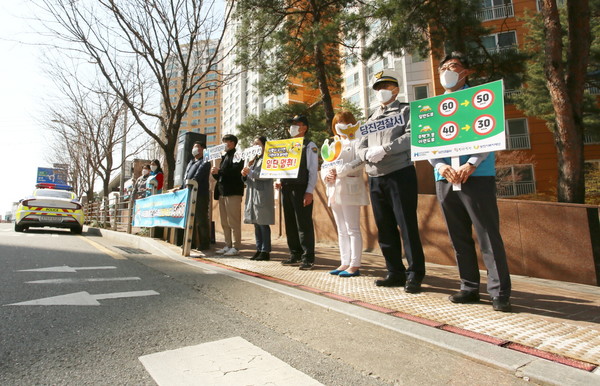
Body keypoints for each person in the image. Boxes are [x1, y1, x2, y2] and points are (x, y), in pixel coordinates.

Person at [429, 51, 512, 312]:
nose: (447, 72)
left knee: (487, 234)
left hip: (476, 175)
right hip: (444, 178)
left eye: (453, 66)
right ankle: (468, 287)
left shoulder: (481, 99)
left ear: (466, 72)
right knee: (458, 235)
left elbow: (490, 133)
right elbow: (426, 143)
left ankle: (499, 292)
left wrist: (471, 163)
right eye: (443, 67)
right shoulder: (432, 107)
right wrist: (441, 165)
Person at [356, 69, 426, 293]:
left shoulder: (406, 111)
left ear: (396, 89)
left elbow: (411, 135)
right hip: (376, 177)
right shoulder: (372, 116)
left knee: (406, 225)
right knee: (384, 227)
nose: (381, 92)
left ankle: (414, 273)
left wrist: (385, 149)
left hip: (399, 173)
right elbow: (360, 144)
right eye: (378, 89)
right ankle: (394, 271)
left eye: (385, 87)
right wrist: (365, 154)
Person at [321, 111, 369, 277]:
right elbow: (326, 164)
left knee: (352, 228)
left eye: (343, 121)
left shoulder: (357, 142)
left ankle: (355, 265)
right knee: (341, 229)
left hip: (350, 188)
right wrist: (326, 175)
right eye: (337, 122)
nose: (340, 125)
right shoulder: (333, 144)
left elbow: (362, 160)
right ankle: (344, 262)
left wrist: (342, 170)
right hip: (334, 189)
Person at [275, 115, 318, 270]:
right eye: (291, 125)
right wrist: (278, 179)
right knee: (290, 223)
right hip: (286, 188)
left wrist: (309, 191)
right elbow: (281, 166)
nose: (292, 127)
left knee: (303, 224)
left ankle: (308, 257)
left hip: (301, 188)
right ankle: (295, 254)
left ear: (304, 127)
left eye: (296, 124)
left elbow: (313, 170)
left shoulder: (309, 145)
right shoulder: (286, 145)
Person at [241, 136, 274, 261]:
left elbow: (265, 175)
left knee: (263, 223)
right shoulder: (253, 161)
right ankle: (259, 248)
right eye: (253, 144)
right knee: (255, 223)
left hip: (262, 195)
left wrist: (250, 172)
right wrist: (244, 174)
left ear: (265, 146)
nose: (255, 146)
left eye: (258, 144)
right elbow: (247, 178)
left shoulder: (268, 158)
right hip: (252, 194)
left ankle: (265, 251)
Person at [211, 134, 244, 256]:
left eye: (226, 141)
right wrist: (215, 173)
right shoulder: (224, 157)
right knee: (224, 221)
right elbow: (222, 175)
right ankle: (228, 244)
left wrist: (220, 171)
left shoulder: (238, 155)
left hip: (233, 192)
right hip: (222, 192)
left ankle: (236, 246)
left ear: (232, 143)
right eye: (223, 141)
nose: (224, 144)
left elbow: (235, 172)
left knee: (233, 221)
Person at [185, 141, 211, 251]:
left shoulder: (205, 162)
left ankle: (204, 243)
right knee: (191, 219)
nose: (194, 149)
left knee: (201, 219)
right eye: (193, 147)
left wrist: (192, 181)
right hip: (189, 193)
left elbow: (197, 176)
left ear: (203, 149)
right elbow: (186, 177)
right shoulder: (191, 162)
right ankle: (191, 243)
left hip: (200, 194)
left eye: (197, 147)